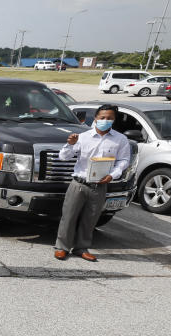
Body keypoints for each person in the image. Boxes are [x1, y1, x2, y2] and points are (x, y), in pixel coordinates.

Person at [54, 104, 132, 262]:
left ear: (114, 120)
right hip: (79, 183)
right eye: (102, 117)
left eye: (109, 118)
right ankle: (62, 247)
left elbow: (124, 161)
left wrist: (113, 175)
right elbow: (63, 157)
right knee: (69, 216)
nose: (105, 120)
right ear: (95, 118)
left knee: (90, 218)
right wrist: (70, 143)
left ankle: (81, 248)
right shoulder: (82, 137)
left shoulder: (120, 140)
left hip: (100, 185)